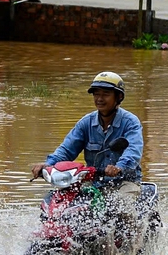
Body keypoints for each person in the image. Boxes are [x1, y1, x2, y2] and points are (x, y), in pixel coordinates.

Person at [32, 71, 144, 200]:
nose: (99, 99)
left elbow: (133, 151)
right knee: (57, 201)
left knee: (122, 208)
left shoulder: (130, 122)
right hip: (93, 182)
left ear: (119, 97)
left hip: (124, 182)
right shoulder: (86, 123)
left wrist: (120, 167)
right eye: (96, 94)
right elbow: (67, 150)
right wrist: (48, 164)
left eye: (105, 94)